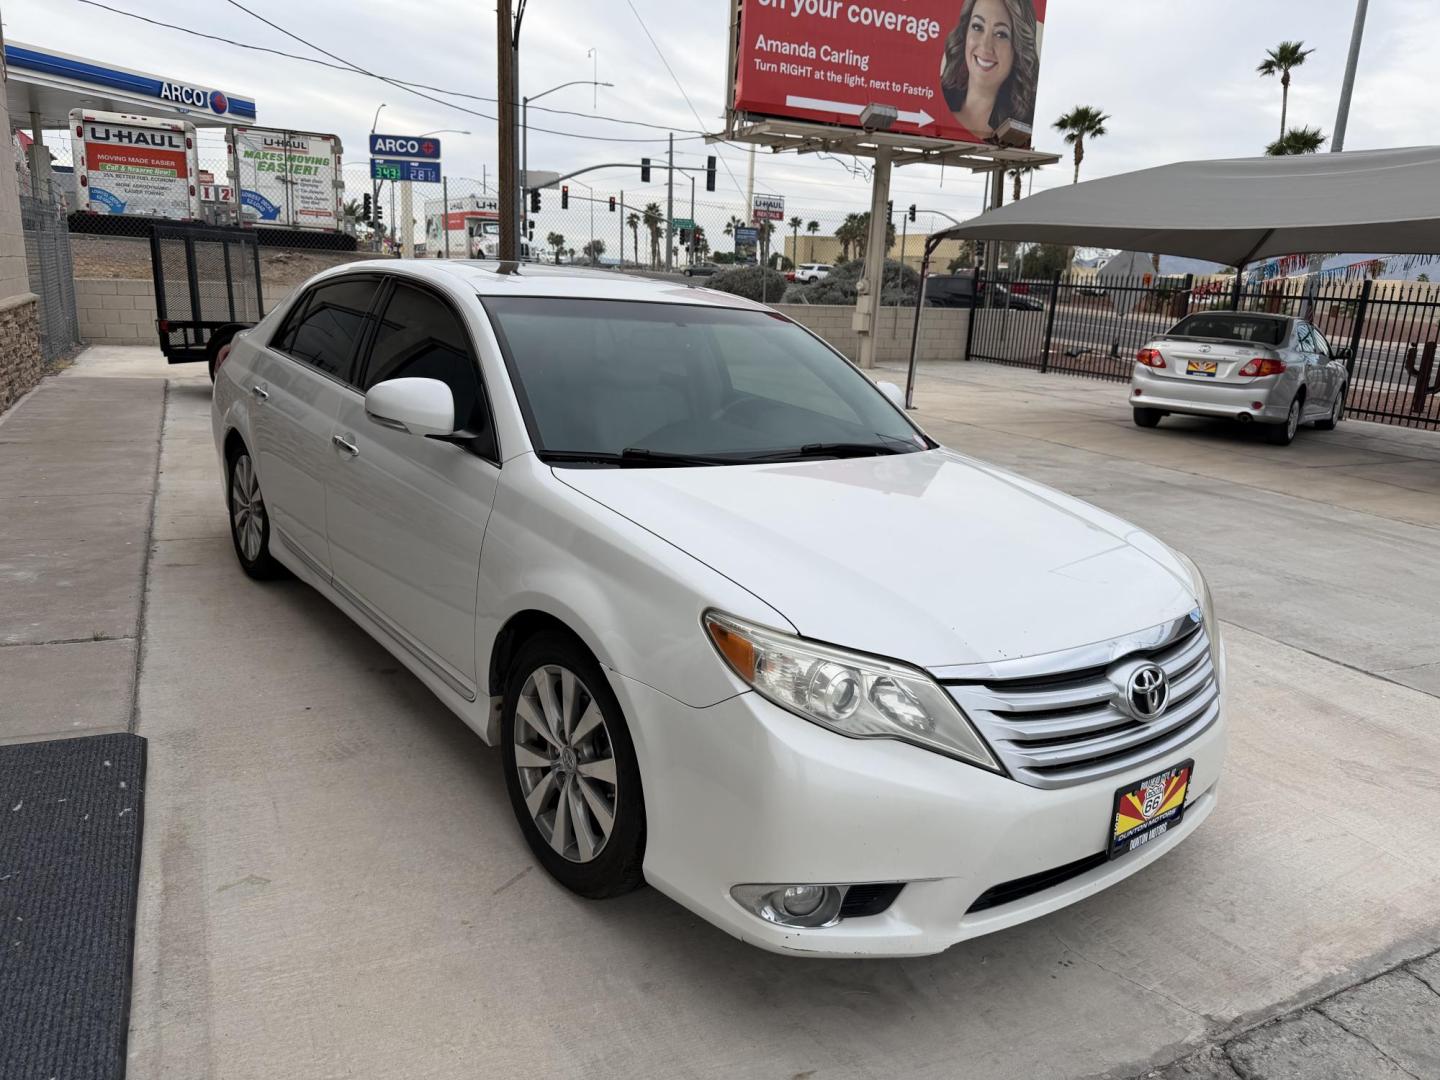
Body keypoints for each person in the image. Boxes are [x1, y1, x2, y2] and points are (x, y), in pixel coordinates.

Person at [940, 0, 1040, 141]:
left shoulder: (1019, 131)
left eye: (1001, 34)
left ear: (1018, 49)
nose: (986, 46)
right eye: (977, 27)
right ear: (965, 33)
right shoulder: (934, 98)